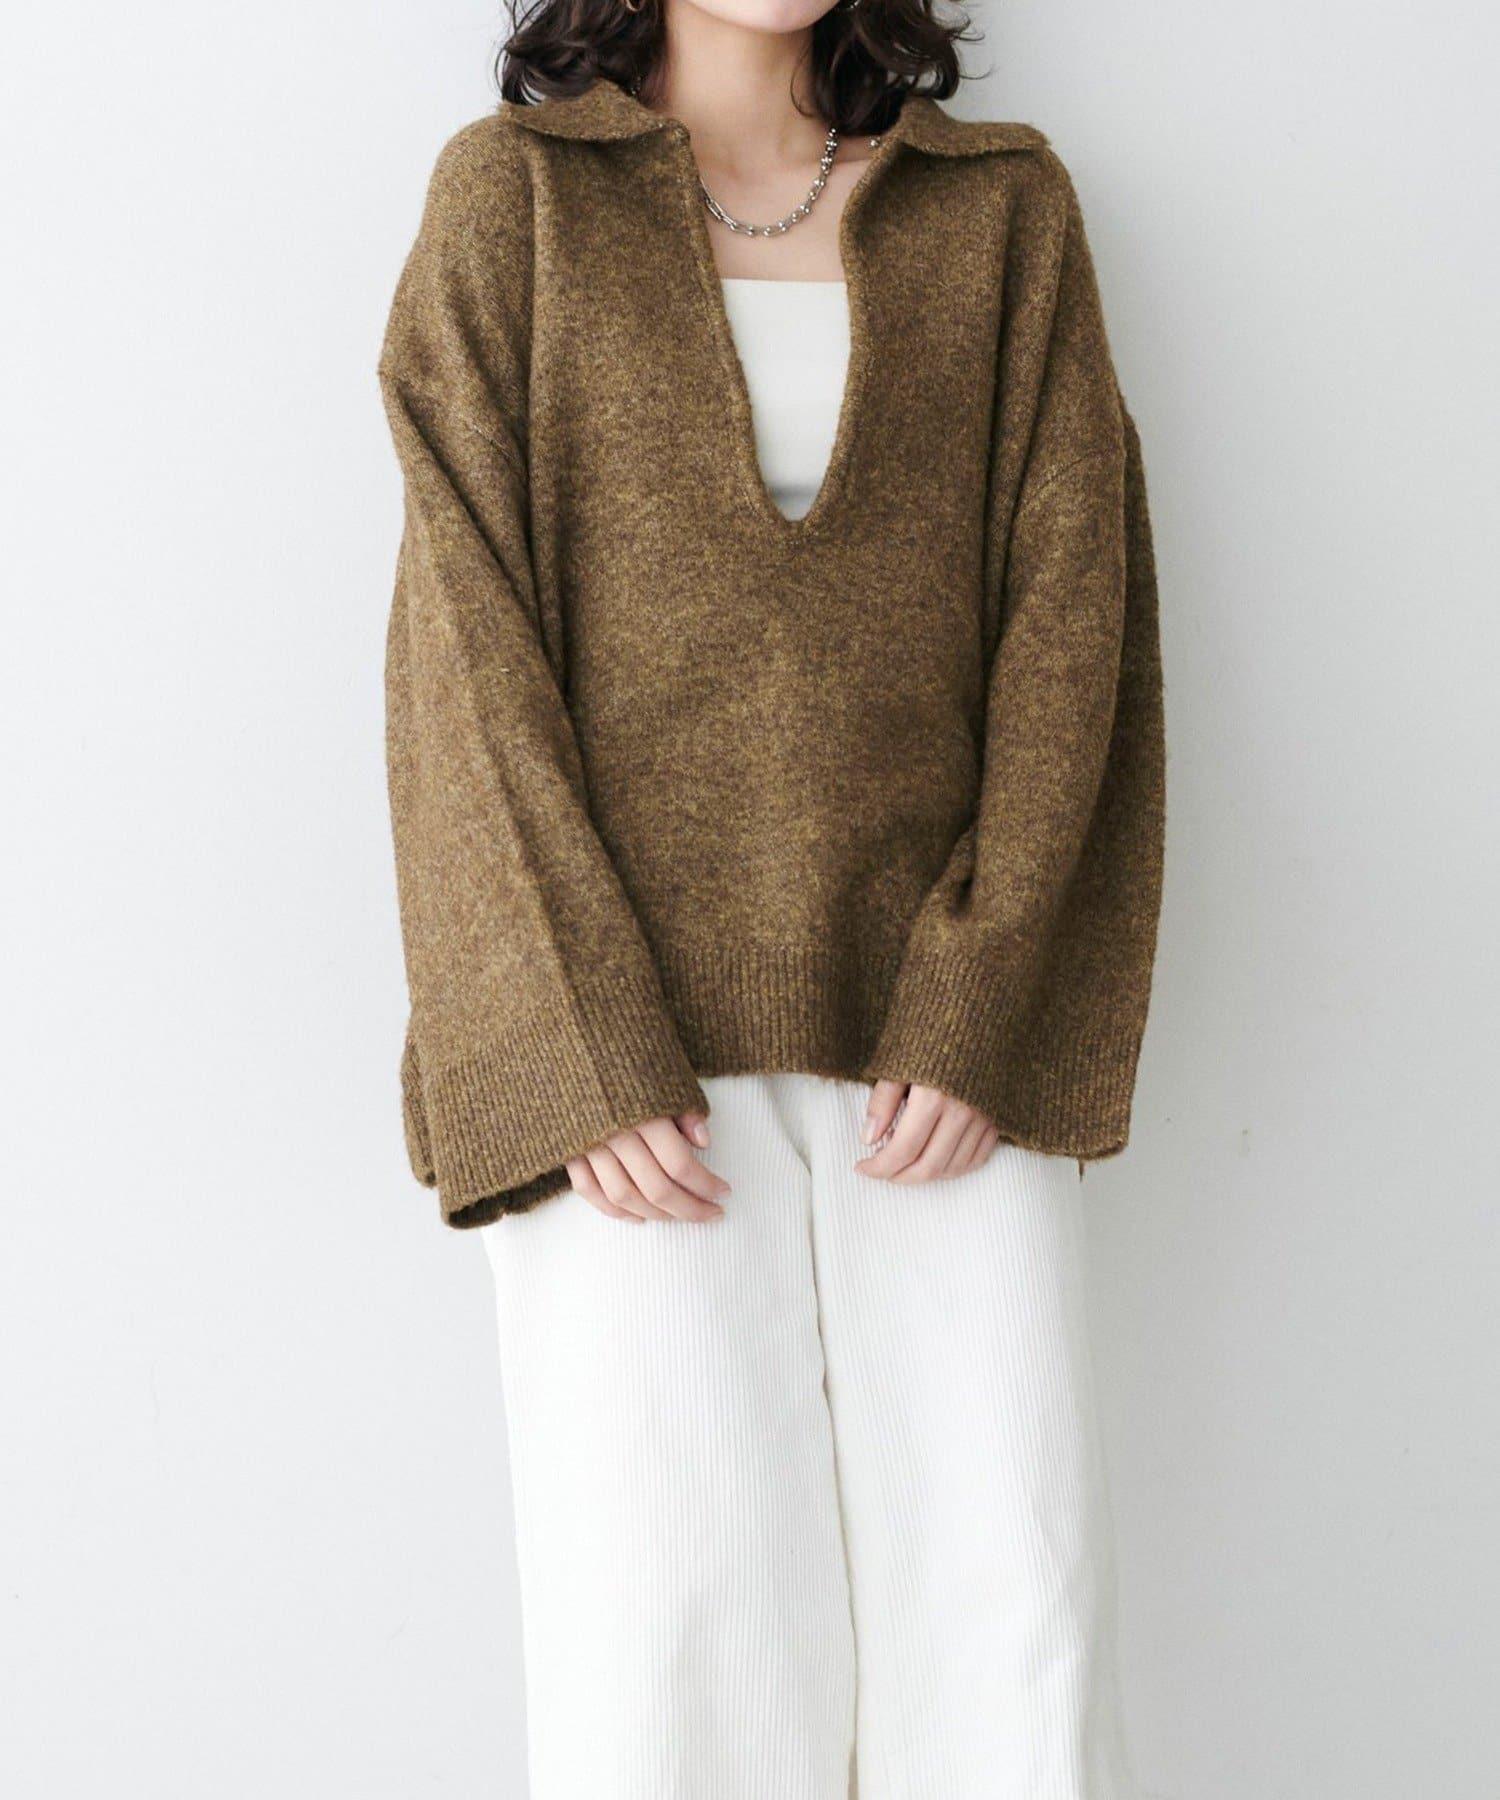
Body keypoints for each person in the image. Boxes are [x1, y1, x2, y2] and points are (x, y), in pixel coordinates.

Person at [377, 0, 1164, 1791]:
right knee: (677, 1653)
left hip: (944, 1051)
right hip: (631, 1074)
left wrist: (984, 993)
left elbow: (1078, 622)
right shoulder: (513, 203)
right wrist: (575, 1039)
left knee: (1017, 1637)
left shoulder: (1001, 209)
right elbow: (460, 654)